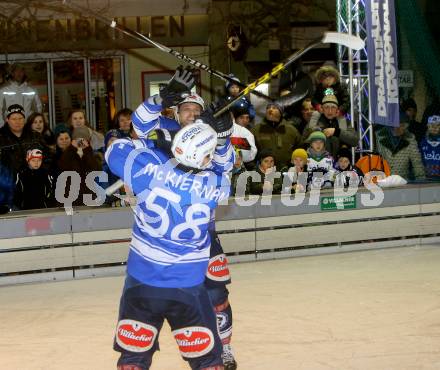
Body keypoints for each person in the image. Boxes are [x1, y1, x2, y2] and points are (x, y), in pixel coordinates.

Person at [131, 68, 238, 369]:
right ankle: (138, 356)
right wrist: (159, 99)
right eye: (185, 109)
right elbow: (139, 127)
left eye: (196, 110)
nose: (191, 114)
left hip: (200, 232)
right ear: (175, 113)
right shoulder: (162, 131)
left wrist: (224, 135)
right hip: (160, 233)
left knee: (216, 294)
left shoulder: (211, 136)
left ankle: (225, 349)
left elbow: (226, 165)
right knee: (150, 302)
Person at [107, 116, 233, 369]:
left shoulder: (146, 167)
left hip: (140, 285)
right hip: (187, 288)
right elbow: (224, 167)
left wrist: (157, 144)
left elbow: (114, 148)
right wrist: (222, 138)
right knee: (208, 359)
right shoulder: (213, 185)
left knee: (133, 358)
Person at [57, 126, 101, 207]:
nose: (81, 142)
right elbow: (63, 166)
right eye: (78, 139)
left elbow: (95, 170)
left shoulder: (91, 153)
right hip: (70, 196)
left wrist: (87, 150)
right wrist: (72, 148)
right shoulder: (68, 153)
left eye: (83, 139)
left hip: (87, 196)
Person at [375, 112, 425, 181]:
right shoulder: (379, 137)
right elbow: (374, 159)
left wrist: (421, 181)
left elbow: (417, 162)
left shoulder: (410, 139)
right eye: (402, 125)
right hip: (382, 181)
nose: (404, 128)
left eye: (405, 126)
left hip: (402, 182)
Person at [305, 94, 358, 158]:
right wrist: (318, 132)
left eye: (333, 107)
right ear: (322, 109)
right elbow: (304, 140)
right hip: (317, 161)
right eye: (327, 107)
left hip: (339, 164)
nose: (330, 111)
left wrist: (337, 132)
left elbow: (355, 140)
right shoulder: (315, 121)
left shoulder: (343, 121)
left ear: (337, 109)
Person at [252, 102, 303, 168]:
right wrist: (254, 167)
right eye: (268, 108)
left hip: (286, 171)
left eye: (274, 108)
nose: (270, 110)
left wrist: (294, 165)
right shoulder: (256, 130)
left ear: (281, 112)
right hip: (264, 172)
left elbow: (300, 149)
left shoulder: (291, 130)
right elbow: (250, 152)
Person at [419, 115, 440, 180]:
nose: (434, 127)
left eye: (438, 125)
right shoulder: (422, 142)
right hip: (426, 180)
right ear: (427, 126)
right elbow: (418, 162)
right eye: (432, 125)